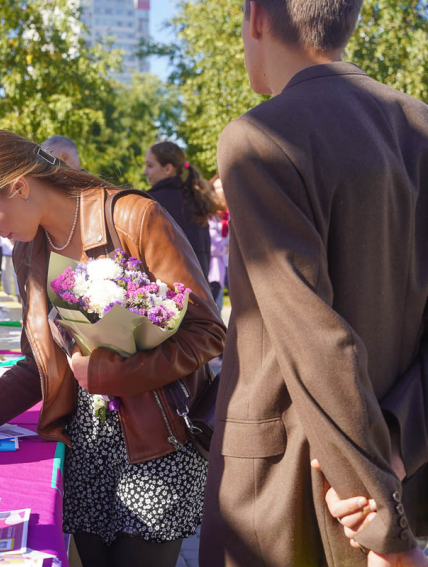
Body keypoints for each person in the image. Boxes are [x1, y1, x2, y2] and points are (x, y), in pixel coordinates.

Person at [0, 129, 226, 567]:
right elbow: (39, 365)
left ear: (20, 186)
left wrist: (118, 376)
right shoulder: (28, 251)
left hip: (159, 447)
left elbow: (208, 331)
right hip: (84, 449)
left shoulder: (133, 217)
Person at [199, 0, 428, 565]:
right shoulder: (420, 127)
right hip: (393, 471)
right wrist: (396, 449)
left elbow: (314, 336)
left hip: (291, 490)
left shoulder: (260, 137)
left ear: (255, 16)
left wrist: (381, 519)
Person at [144, 142, 220, 277]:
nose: (145, 172)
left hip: (167, 290)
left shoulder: (151, 203)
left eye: (150, 165)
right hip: (198, 289)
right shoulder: (195, 199)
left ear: (168, 168)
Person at [207, 174, 229, 312]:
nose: (220, 191)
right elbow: (212, 244)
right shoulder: (209, 215)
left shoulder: (234, 213)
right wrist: (227, 246)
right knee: (216, 307)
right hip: (215, 269)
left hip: (233, 264)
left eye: (223, 187)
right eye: (216, 188)